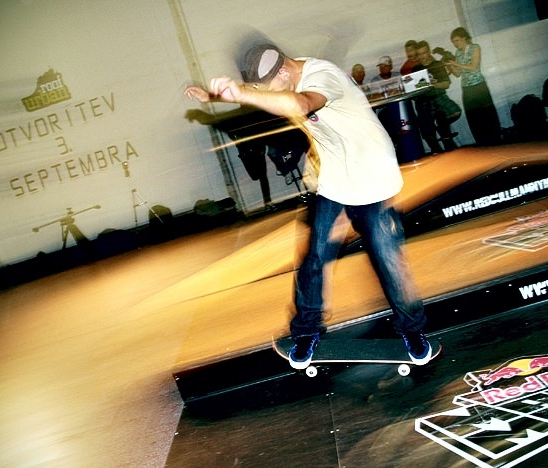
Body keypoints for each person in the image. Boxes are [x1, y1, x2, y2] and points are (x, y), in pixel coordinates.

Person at [184, 43, 432, 369]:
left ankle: (412, 330)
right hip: (337, 179)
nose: (275, 97)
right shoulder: (284, 76)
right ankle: (306, 331)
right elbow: (267, 94)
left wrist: (240, 93)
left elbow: (301, 103)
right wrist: (214, 96)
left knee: (388, 258)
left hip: (374, 176)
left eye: (274, 88)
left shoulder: (323, 76)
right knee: (315, 257)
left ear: (284, 70)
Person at [445, 27, 502, 146]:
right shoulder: (458, 53)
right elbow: (458, 74)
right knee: (473, 117)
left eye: (457, 40)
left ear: (464, 38)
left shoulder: (475, 47)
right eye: (453, 42)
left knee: (487, 115)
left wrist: (456, 64)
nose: (455, 44)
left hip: (479, 86)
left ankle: (496, 140)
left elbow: (474, 67)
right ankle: (482, 143)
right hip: (467, 88)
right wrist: (450, 66)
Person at [413, 40, 461, 153]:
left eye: (424, 53)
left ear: (429, 52)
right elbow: (414, 89)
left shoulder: (437, 65)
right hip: (423, 101)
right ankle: (437, 151)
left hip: (438, 97)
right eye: (419, 54)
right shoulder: (415, 69)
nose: (422, 56)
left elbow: (446, 84)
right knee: (427, 132)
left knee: (453, 114)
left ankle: (449, 148)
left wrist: (432, 84)